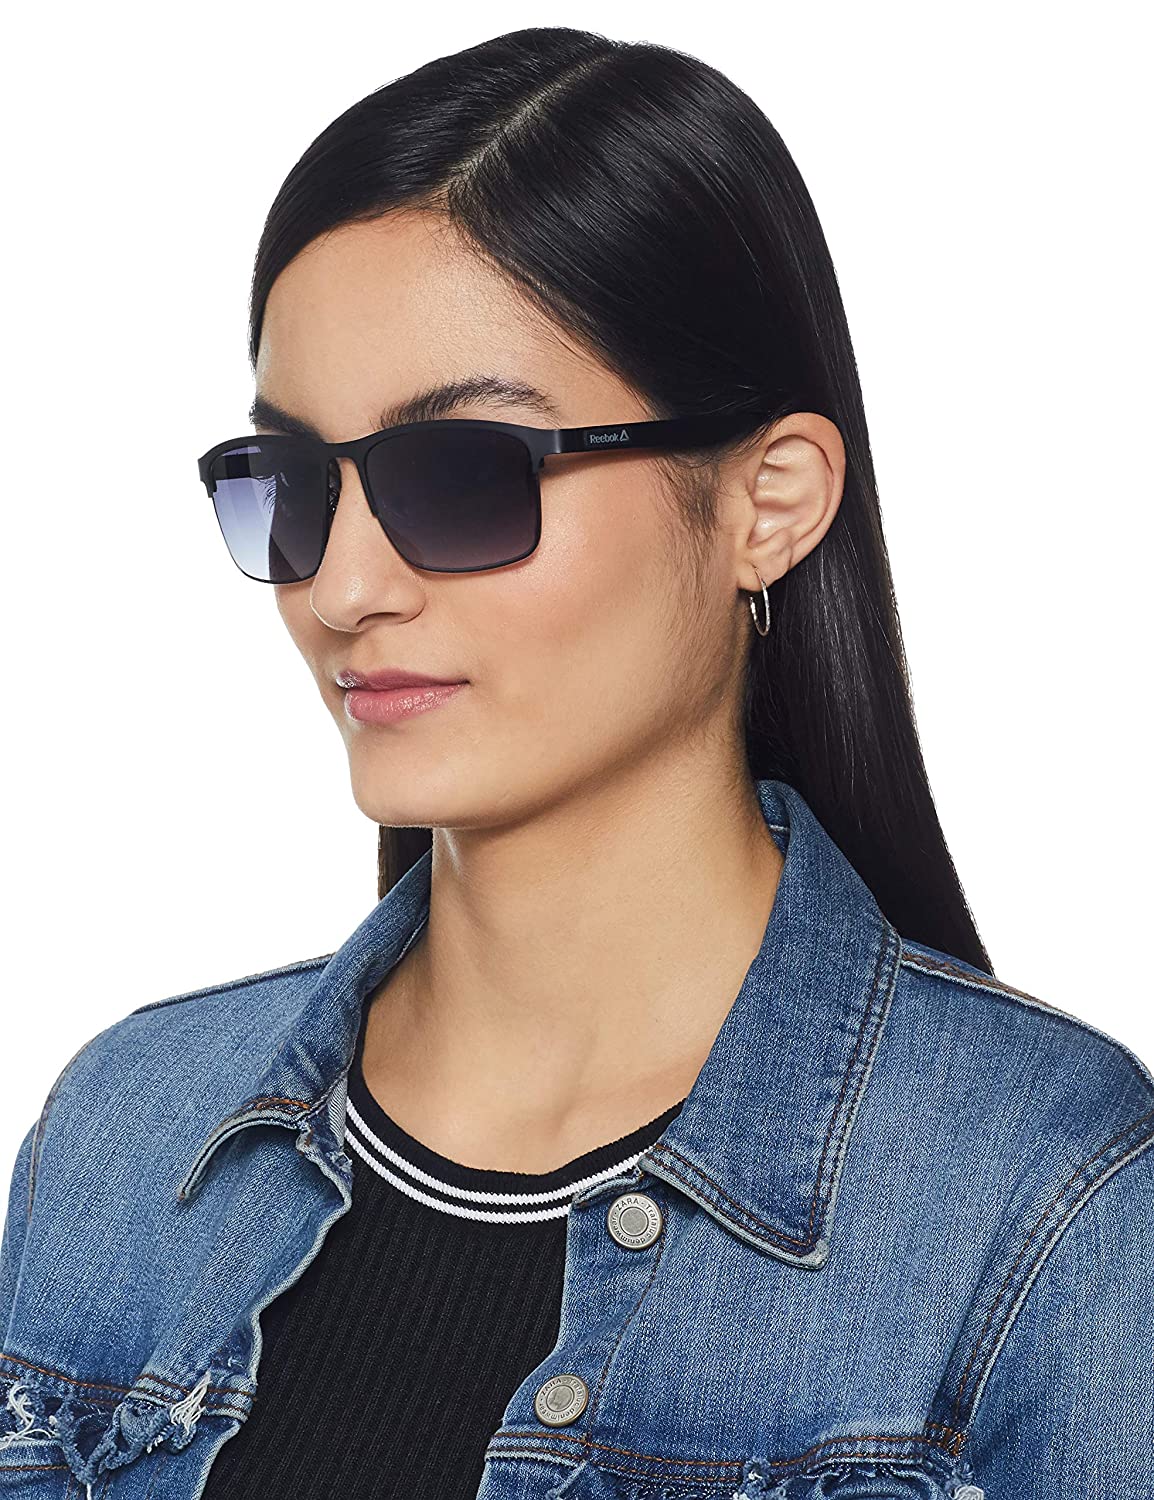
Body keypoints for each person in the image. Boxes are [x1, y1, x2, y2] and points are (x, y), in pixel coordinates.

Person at [2, 25, 1151, 1500]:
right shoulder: (127, 1138)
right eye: (290, 483)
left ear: (766, 503)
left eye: (462, 473)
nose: (342, 588)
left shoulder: (1047, 1202)